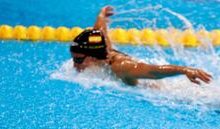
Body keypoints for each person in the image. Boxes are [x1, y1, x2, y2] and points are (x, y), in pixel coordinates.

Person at [70, 6, 212, 86]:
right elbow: (100, 31)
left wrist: (184, 70)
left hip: (158, 92)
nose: (74, 64)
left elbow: (152, 71)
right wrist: (101, 16)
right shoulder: (102, 48)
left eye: (78, 59)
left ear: (93, 57)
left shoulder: (120, 66)